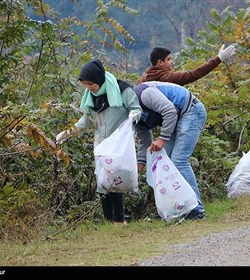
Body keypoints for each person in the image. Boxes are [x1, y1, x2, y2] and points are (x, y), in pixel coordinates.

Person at [55, 59, 142, 224]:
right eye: (86, 85)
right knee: (102, 181)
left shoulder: (122, 90)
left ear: (98, 79)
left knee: (114, 179)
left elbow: (136, 109)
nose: (89, 88)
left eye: (91, 84)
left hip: (118, 144)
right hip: (101, 144)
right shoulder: (91, 97)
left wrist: (133, 117)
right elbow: (85, 121)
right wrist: (66, 133)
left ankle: (118, 221)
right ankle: (109, 221)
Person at [134, 81, 206, 220]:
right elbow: (144, 141)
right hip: (177, 118)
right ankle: (174, 209)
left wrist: (162, 139)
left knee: (179, 160)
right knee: (165, 163)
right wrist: (140, 166)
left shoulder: (144, 94)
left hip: (191, 110)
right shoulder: (132, 116)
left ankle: (197, 209)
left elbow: (170, 111)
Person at [136, 44, 236, 86]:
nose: (172, 62)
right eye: (169, 59)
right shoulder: (166, 78)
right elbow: (193, 74)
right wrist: (218, 59)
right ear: (160, 62)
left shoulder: (142, 80)